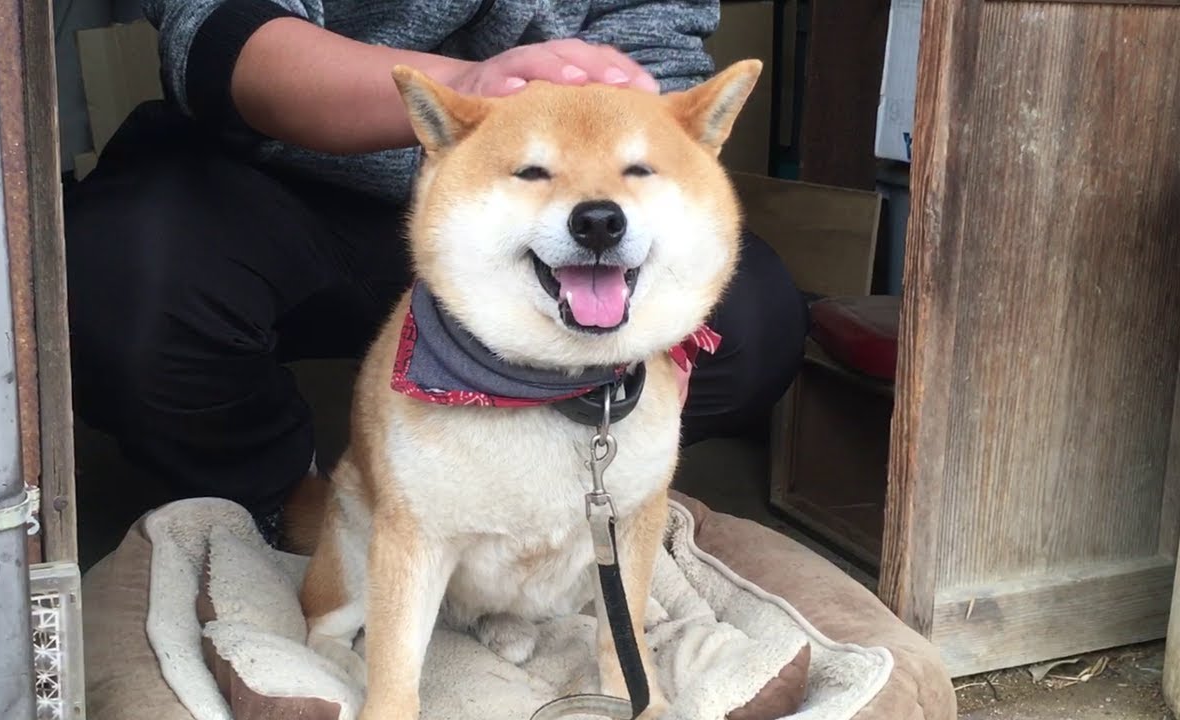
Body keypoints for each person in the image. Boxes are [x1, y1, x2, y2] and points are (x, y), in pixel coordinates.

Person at [63, 0, 809, 543]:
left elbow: (664, 76)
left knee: (746, 331)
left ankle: (551, 509)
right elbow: (224, 40)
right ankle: (284, 502)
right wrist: (472, 95)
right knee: (121, 290)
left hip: (535, 215)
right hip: (269, 180)